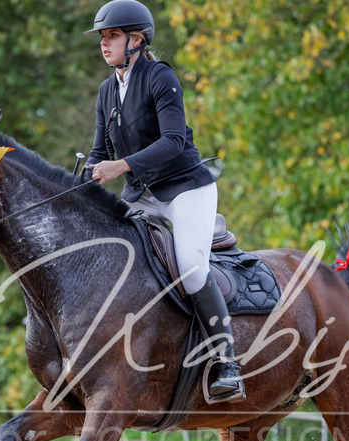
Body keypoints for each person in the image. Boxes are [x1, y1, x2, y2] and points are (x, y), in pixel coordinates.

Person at [84, 0, 245, 403]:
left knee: (190, 269)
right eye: (103, 38)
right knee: (115, 262)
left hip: (186, 189)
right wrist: (91, 172)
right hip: (143, 195)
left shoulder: (160, 77)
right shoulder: (107, 91)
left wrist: (119, 165)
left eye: (112, 36)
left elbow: (172, 142)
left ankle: (227, 363)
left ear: (136, 40)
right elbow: (98, 149)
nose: (105, 45)